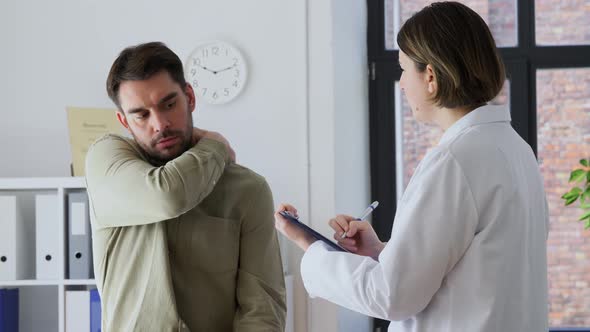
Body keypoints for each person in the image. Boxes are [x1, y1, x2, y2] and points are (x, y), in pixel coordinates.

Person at [274, 2, 548, 331]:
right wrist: (381, 251)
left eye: (404, 69)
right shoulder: (516, 149)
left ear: (430, 76)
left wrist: (314, 250)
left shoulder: (455, 160)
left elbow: (391, 295)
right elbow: (477, 265)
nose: (402, 83)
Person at [85, 42, 286, 331]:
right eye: (141, 115)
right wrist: (215, 145)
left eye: (169, 104)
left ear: (189, 97)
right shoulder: (105, 163)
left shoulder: (248, 190)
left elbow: (262, 309)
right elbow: (167, 196)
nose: (160, 124)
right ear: (124, 121)